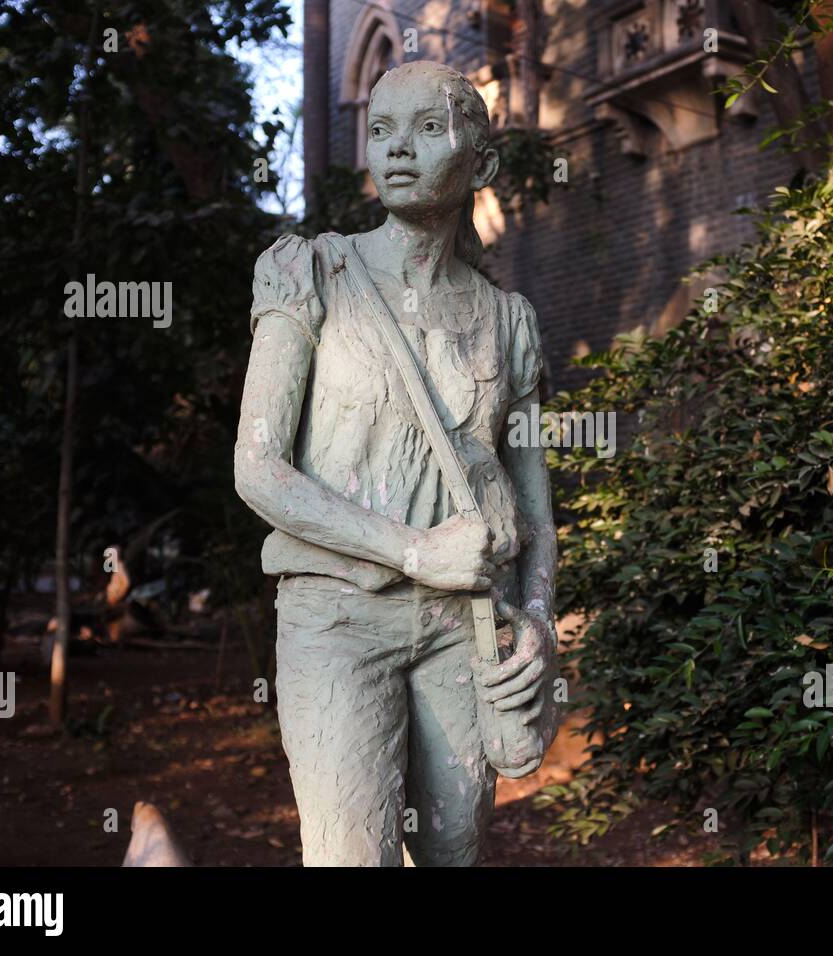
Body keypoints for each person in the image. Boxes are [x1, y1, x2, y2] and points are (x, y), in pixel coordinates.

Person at [233, 60, 558, 866]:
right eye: (380, 131)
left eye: (426, 127)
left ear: (480, 162)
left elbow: (537, 515)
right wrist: (413, 551)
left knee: (452, 847)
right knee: (355, 852)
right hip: (339, 617)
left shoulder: (507, 321)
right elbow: (258, 468)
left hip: (466, 626)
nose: (398, 150)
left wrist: (543, 622)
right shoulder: (311, 274)